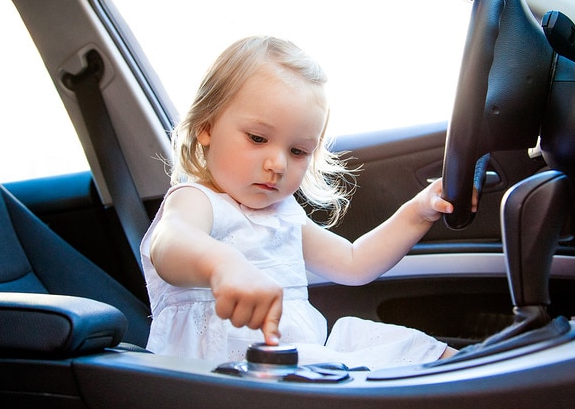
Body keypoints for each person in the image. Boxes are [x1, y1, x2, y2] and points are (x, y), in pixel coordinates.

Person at [141, 35, 464, 370]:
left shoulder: (283, 216)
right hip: (220, 369)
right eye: (258, 138)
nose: (278, 164)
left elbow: (354, 263)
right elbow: (170, 243)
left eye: (297, 151)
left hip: (294, 354)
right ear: (206, 128)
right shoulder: (198, 200)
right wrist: (223, 265)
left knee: (407, 345)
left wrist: (417, 213)